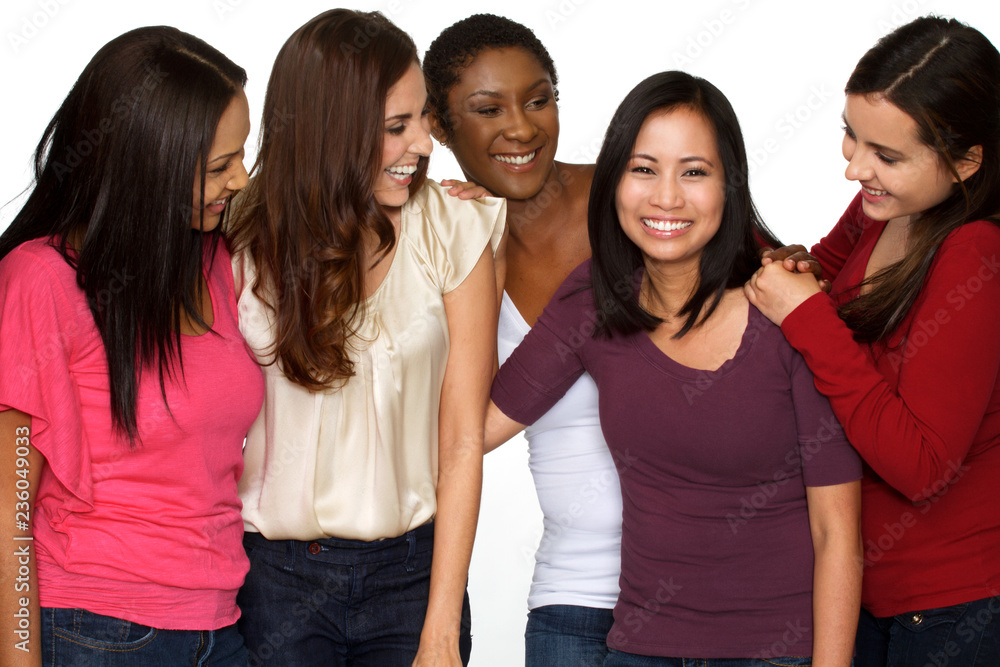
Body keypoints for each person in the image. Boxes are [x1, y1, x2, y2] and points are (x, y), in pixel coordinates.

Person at [486, 71, 863, 665]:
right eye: (644, 169)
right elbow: (473, 428)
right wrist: (452, 237)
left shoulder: (788, 310)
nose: (666, 197)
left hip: (775, 652)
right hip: (641, 647)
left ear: (729, 185)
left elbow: (838, 534)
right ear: (614, 180)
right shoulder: (594, 300)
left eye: (694, 172)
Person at [227, 9, 505, 667]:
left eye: (424, 119)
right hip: (274, 582)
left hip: (413, 579)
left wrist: (441, 628)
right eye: (396, 127)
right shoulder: (238, 232)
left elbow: (461, 440)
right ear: (331, 130)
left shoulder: (453, 225)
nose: (425, 144)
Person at [0, 26, 260, 667]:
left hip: (222, 625)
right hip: (97, 631)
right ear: (148, 164)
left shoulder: (218, 260)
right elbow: (8, 509)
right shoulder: (42, 281)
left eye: (242, 155)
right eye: (219, 166)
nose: (241, 178)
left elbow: (335, 221)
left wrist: (454, 207)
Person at [747, 16, 1000, 666]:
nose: (855, 168)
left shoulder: (975, 254)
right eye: (850, 135)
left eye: (886, 155)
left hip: (952, 609)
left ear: (967, 161)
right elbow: (811, 275)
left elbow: (922, 466)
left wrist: (805, 313)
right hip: (868, 592)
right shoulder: (885, 207)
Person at [423, 14, 621, 666]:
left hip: (707, 592)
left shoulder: (635, 197)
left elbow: (769, 287)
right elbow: (458, 433)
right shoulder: (451, 243)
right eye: (489, 109)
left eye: (538, 100)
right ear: (439, 126)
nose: (522, 128)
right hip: (572, 599)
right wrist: (482, 246)